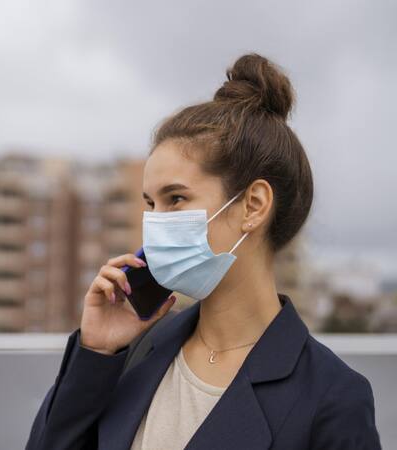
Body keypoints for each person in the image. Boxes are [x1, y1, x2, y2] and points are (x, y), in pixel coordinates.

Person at [25, 53, 381, 450]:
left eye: (175, 199)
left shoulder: (332, 398)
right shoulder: (136, 351)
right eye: (150, 204)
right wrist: (96, 352)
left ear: (254, 205)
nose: (156, 221)